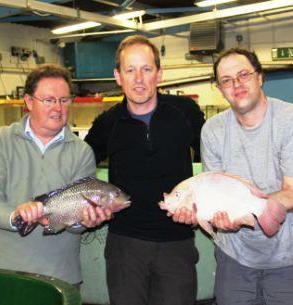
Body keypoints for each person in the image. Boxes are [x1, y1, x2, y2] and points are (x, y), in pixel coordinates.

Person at [172, 48, 293, 305]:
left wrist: (253, 205)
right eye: (227, 80)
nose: (237, 84)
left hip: (291, 257)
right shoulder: (213, 131)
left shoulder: (292, 120)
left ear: (260, 77)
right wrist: (218, 218)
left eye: (243, 75)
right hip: (235, 259)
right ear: (220, 89)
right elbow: (213, 192)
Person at [84, 35, 205, 305]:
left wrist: (201, 207)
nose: (138, 78)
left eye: (146, 69)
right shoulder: (108, 123)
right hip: (125, 245)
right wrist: (91, 206)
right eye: (130, 70)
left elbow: (217, 164)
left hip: (177, 242)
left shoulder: (185, 112)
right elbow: (78, 171)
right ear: (118, 76)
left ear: (159, 74)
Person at [0, 63, 111, 285]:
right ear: (29, 102)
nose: (58, 108)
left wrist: (87, 220)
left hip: (58, 277)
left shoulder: (81, 152)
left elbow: (76, 224)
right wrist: (16, 216)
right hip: (0, 273)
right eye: (49, 100)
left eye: (64, 100)